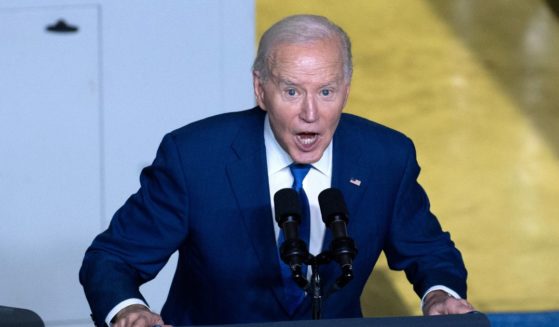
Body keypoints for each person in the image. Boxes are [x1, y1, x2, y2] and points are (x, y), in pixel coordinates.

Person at [80, 14, 475, 327]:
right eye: (291, 91)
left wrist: (438, 295)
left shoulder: (386, 156)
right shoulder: (195, 157)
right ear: (260, 88)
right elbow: (112, 258)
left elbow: (429, 252)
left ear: (347, 88)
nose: (310, 113)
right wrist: (130, 311)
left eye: (326, 91)